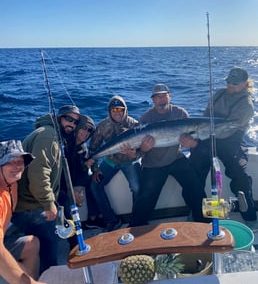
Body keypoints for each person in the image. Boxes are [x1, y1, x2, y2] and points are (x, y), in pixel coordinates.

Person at [180, 67, 257, 228]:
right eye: (228, 82)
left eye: (235, 84)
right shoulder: (220, 93)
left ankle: (248, 213)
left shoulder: (246, 106)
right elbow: (205, 116)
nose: (230, 86)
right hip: (208, 138)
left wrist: (198, 139)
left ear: (245, 84)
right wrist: (194, 136)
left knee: (239, 176)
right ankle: (200, 212)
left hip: (230, 142)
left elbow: (225, 132)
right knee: (192, 175)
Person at [11, 105, 80, 273]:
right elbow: (38, 174)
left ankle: (72, 248)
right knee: (49, 246)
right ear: (58, 118)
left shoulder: (51, 133)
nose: (71, 124)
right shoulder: (48, 136)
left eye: (75, 122)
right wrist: (48, 203)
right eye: (68, 119)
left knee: (63, 198)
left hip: (29, 201)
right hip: (31, 207)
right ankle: (49, 275)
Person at [130, 83, 208, 227]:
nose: (161, 100)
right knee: (146, 197)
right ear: (153, 100)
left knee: (196, 187)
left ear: (169, 97)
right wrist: (144, 149)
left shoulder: (181, 113)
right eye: (158, 97)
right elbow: (138, 151)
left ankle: (205, 221)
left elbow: (190, 141)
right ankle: (136, 228)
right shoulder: (146, 118)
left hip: (175, 158)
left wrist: (191, 143)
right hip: (153, 163)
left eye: (164, 96)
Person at [89, 95, 141, 231]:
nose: (117, 113)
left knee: (137, 188)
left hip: (130, 162)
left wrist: (134, 154)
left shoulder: (134, 125)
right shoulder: (102, 126)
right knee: (95, 186)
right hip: (110, 161)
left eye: (120, 110)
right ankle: (111, 219)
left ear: (125, 110)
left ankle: (137, 219)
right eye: (114, 110)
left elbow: (143, 150)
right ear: (109, 112)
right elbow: (94, 148)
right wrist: (95, 169)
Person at [0, 140, 46, 284]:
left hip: (4, 237)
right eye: (10, 162)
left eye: (20, 161)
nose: (17, 166)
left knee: (32, 243)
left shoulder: (12, 183)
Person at [58, 114, 104, 249]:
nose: (86, 132)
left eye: (90, 130)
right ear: (77, 127)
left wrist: (89, 167)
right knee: (65, 199)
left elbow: (78, 171)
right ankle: (73, 241)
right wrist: (71, 190)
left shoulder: (83, 148)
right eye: (83, 128)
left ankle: (94, 218)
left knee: (94, 182)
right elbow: (60, 174)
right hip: (57, 183)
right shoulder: (64, 143)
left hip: (70, 180)